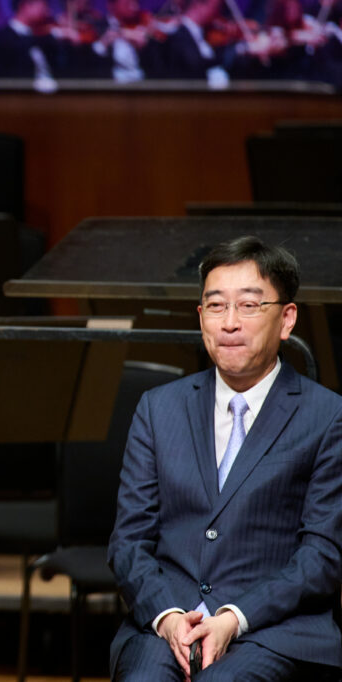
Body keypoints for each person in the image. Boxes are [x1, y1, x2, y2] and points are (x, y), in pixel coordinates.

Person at [108, 235, 342, 680]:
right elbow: (128, 542)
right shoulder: (159, 409)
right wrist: (168, 616)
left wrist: (235, 616)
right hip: (169, 624)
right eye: (216, 306)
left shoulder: (328, 416)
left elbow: (323, 555)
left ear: (287, 319)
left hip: (272, 629)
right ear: (201, 317)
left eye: (249, 306)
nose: (229, 323)